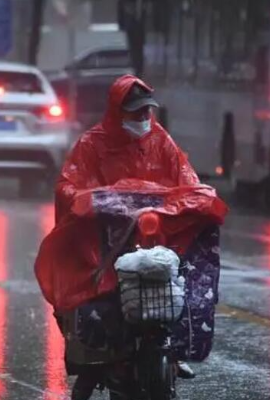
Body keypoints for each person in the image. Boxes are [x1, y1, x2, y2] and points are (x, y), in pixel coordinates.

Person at [54, 75, 200, 400]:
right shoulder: (92, 145)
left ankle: (174, 351)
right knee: (98, 301)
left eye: (146, 113)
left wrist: (195, 198)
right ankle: (93, 367)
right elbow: (68, 184)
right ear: (116, 113)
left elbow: (187, 180)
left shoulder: (161, 141)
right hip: (106, 240)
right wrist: (86, 200)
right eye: (135, 114)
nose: (142, 120)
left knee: (179, 284)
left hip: (154, 236)